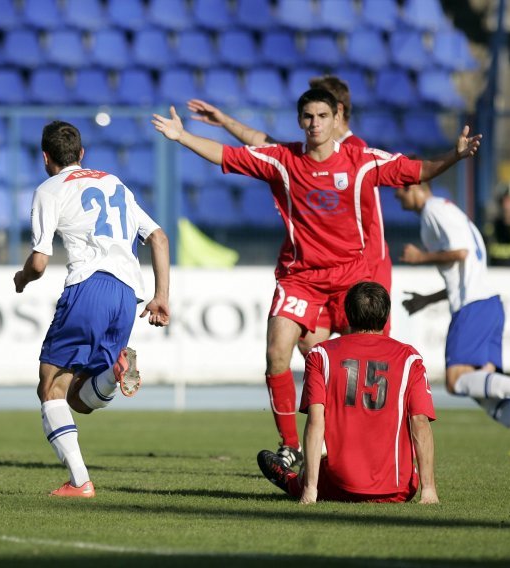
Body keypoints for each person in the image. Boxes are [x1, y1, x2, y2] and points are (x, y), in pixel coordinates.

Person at [152, 88, 481, 469]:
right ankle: (291, 445)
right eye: (308, 116)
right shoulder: (284, 160)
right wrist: (183, 136)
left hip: (351, 277)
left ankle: (354, 444)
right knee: (277, 352)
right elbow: (230, 156)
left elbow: (415, 170)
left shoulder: (361, 161)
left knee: (344, 362)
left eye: (321, 116)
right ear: (300, 121)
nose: (314, 123)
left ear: (335, 118)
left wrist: (455, 156)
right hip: (301, 277)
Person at [13, 121, 170, 498]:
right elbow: (159, 237)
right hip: (127, 296)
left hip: (90, 285)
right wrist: (161, 295)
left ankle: (80, 482)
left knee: (50, 385)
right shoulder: (115, 182)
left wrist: (21, 278)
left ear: (45, 157)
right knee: (77, 400)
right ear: (81, 155)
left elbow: (39, 261)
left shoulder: (49, 189)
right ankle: (114, 373)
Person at [188, 74, 391, 348]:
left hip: (363, 266)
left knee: (363, 349)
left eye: (321, 110)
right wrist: (225, 122)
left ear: (337, 110)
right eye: (308, 113)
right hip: (324, 268)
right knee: (312, 346)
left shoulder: (354, 150)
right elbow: (266, 143)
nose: (312, 119)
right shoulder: (311, 153)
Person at [258, 282, 439, 504]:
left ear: (347, 313)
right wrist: (428, 490)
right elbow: (420, 421)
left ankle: (293, 480)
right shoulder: (410, 358)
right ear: (386, 314)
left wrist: (310, 490)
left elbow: (316, 421)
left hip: (338, 486)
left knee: (309, 473)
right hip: (398, 490)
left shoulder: (321, 354)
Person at [396, 181, 510, 455]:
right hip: (489, 303)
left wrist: (421, 257)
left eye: (400, 191)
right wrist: (427, 299)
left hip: (473, 306)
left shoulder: (433, 210)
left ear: (415, 186)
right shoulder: (447, 211)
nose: (398, 199)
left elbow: (461, 253)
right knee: (481, 385)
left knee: (456, 380)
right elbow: (461, 269)